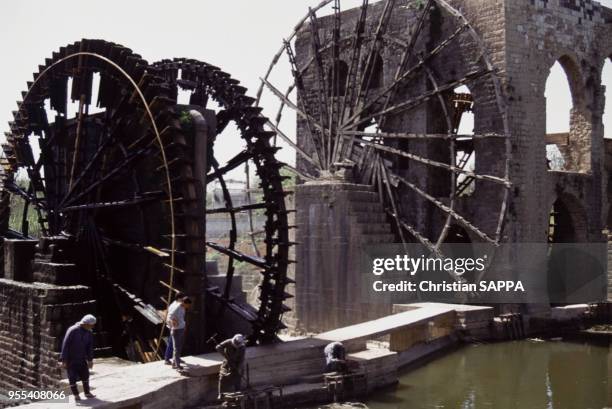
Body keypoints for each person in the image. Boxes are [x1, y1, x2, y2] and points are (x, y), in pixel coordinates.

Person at [60, 314, 97, 401]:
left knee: (85, 375)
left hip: (81, 358)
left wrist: (90, 360)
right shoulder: (72, 330)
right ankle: (76, 394)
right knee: (72, 377)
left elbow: (89, 347)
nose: (92, 327)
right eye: (91, 325)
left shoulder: (89, 333)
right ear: (86, 324)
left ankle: (87, 392)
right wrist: (64, 360)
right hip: (71, 359)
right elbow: (65, 345)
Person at [216, 334, 247, 399]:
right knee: (222, 377)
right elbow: (218, 347)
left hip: (237, 363)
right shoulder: (228, 342)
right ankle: (220, 393)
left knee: (238, 378)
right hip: (227, 363)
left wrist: (238, 368)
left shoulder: (242, 347)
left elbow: (241, 359)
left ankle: (238, 393)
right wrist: (226, 356)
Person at [166, 294, 192, 369]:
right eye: (188, 305)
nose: (188, 307)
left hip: (181, 328)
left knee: (179, 347)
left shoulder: (183, 308)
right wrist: (174, 323)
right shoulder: (177, 307)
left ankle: (175, 363)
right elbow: (170, 316)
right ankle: (177, 365)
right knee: (176, 348)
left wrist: (184, 326)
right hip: (176, 329)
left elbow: (181, 318)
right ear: (185, 303)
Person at [164, 292, 186, 365]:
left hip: (178, 326)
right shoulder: (175, 305)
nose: (183, 299)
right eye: (182, 298)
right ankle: (167, 359)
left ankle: (176, 358)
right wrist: (173, 325)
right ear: (179, 298)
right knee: (172, 344)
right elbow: (170, 316)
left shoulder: (179, 305)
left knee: (176, 344)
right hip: (175, 328)